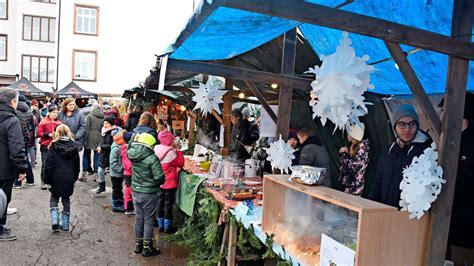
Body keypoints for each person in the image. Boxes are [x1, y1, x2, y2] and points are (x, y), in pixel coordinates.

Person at [369, 104, 432, 207]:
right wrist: (370, 206)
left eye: (412, 124)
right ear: (395, 126)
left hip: (407, 217)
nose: (407, 129)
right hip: (382, 213)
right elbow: (378, 182)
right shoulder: (388, 152)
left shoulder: (426, 152)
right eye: (402, 124)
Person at [441, 93, 474, 265]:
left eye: (444, 110)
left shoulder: (470, 144)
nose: (441, 116)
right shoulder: (446, 140)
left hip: (465, 231)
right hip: (445, 227)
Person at [127, 133, 164, 257]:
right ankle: (147, 248)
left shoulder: (134, 155)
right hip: (148, 194)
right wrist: (159, 183)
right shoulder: (152, 158)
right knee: (148, 220)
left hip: (136, 192)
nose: (154, 147)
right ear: (149, 145)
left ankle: (138, 245)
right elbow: (159, 177)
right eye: (153, 145)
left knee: (139, 218)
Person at [0, 88, 28, 241]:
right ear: (12, 101)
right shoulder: (11, 120)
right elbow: (17, 147)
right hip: (4, 168)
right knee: (2, 198)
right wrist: (21, 168)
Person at [43, 125, 80, 232]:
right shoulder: (74, 146)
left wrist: (47, 179)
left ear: (57, 133)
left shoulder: (53, 146)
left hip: (55, 177)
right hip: (69, 177)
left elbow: (48, 165)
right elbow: (77, 165)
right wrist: (75, 178)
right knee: (66, 199)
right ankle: (65, 224)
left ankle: (55, 221)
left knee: (54, 198)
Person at [154, 130, 184, 234]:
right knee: (168, 205)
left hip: (158, 181)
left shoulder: (156, 149)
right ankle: (167, 227)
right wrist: (178, 150)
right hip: (169, 183)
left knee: (160, 203)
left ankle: (160, 225)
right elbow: (180, 163)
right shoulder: (171, 152)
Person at [338, 123, 369, 196]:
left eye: (348, 133)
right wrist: (344, 154)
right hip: (347, 187)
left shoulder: (362, 149)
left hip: (354, 190)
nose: (347, 135)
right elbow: (345, 167)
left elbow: (356, 168)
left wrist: (344, 155)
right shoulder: (352, 148)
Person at [37, 104, 62, 190]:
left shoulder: (59, 123)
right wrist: (48, 134)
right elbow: (38, 133)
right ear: (49, 113)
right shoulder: (43, 121)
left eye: (57, 112)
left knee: (54, 164)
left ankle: (52, 181)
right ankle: (43, 181)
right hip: (45, 145)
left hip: (56, 146)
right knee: (45, 164)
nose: (55, 114)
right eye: (54, 112)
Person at [14, 94, 35, 187]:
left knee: (17, 157)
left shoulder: (14, 111)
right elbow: (32, 126)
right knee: (25, 157)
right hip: (26, 137)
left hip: (17, 136)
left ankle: (18, 182)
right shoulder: (29, 112)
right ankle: (30, 180)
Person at [81, 103, 103, 181]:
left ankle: (84, 175)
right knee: (97, 157)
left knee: (86, 155)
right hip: (99, 137)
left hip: (89, 137)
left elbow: (86, 128)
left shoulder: (89, 116)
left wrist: (84, 139)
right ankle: (97, 176)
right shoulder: (103, 116)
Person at [96, 117, 115, 193]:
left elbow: (112, 145)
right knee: (100, 171)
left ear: (111, 124)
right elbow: (102, 141)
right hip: (103, 155)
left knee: (113, 172)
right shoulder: (103, 131)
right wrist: (99, 145)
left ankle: (115, 187)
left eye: (107, 123)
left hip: (111, 155)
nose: (105, 125)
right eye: (104, 123)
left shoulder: (113, 132)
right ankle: (101, 186)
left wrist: (101, 147)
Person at [109, 129, 126, 212]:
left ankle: (120, 200)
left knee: (119, 188)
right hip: (115, 174)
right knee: (116, 189)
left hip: (118, 173)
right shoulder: (115, 149)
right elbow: (113, 163)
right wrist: (120, 169)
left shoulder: (118, 147)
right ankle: (116, 204)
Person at [121, 132, 134, 215]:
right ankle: (133, 208)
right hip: (129, 173)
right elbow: (129, 164)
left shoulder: (123, 149)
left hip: (126, 173)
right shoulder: (128, 150)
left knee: (127, 190)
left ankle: (128, 208)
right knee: (132, 191)